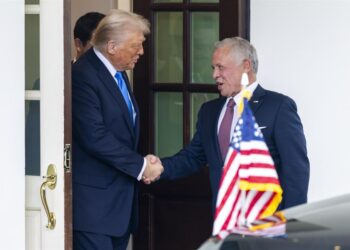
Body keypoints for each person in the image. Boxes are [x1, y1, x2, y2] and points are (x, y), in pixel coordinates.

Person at [159, 37, 310, 214]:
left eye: (220, 67)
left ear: (246, 66)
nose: (215, 75)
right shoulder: (209, 111)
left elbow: (296, 170)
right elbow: (193, 157)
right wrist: (157, 168)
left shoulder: (278, 107)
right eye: (213, 68)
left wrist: (292, 223)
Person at [72, 9, 163, 250]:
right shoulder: (83, 74)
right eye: (136, 45)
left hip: (117, 209)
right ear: (112, 46)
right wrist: (142, 166)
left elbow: (123, 132)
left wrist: (143, 161)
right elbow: (94, 136)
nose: (141, 52)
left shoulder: (118, 75)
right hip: (94, 212)